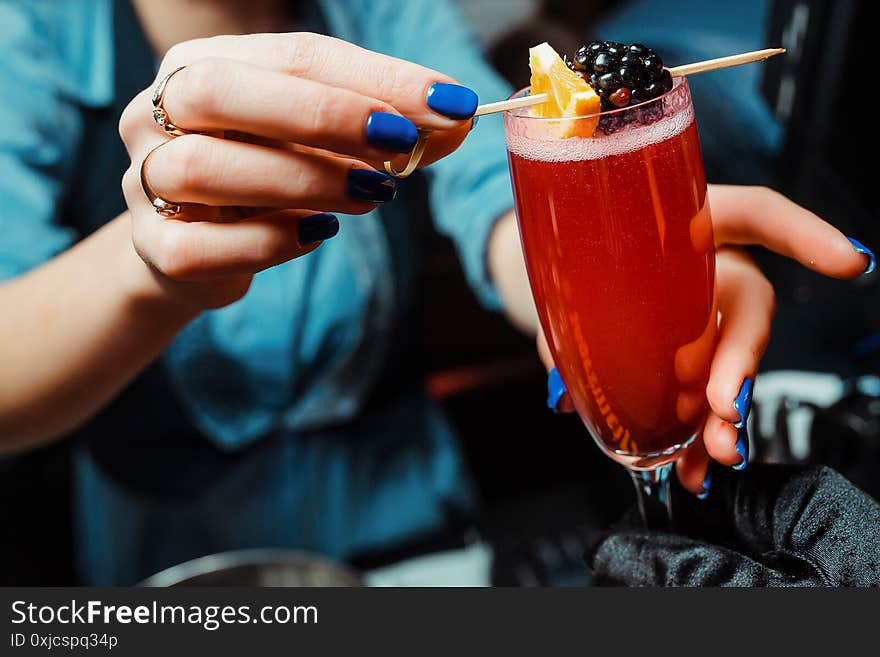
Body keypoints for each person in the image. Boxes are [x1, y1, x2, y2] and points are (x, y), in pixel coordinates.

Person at [0, 0, 874, 585]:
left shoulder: (378, 10)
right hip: (180, 573)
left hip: (429, 548)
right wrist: (149, 262)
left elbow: (501, 191)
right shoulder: (31, 37)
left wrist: (619, 294)